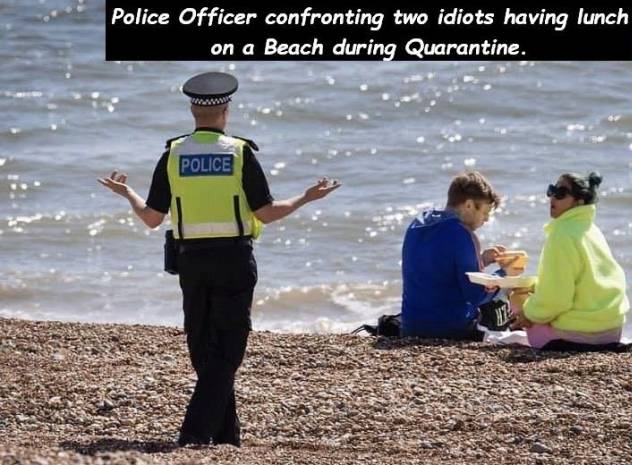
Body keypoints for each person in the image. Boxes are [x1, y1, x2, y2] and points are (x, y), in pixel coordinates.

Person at [97, 72, 341, 447]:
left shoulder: (173, 154)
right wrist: (307, 198)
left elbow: (151, 218)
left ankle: (228, 435)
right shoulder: (239, 152)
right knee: (227, 348)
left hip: (190, 261)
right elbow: (266, 213)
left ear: (193, 111)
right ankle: (194, 433)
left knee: (202, 346)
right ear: (225, 111)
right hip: (233, 260)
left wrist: (128, 193)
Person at [511, 172, 629, 348]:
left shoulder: (562, 235)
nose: (552, 197)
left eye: (560, 193)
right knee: (530, 292)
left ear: (579, 201)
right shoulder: (591, 229)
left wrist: (527, 315)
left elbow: (556, 300)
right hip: (611, 332)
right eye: (551, 190)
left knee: (518, 297)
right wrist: (536, 285)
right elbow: (585, 280)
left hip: (576, 337)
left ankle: (516, 328)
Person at [401, 170, 508, 340]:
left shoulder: (418, 223)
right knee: (501, 299)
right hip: (450, 330)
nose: (486, 220)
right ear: (469, 205)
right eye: (485, 212)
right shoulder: (463, 234)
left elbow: (440, 267)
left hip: (410, 327)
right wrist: (505, 274)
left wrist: (482, 260)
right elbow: (477, 295)